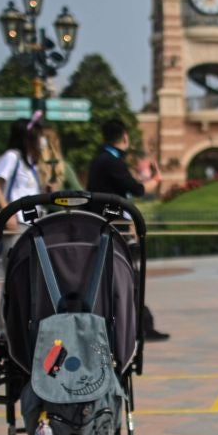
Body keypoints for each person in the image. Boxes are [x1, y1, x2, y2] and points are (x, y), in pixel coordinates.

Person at [86, 119, 169, 342]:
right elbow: (137, 189)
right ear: (124, 137)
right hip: (113, 230)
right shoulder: (111, 161)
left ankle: (133, 324)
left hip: (104, 227)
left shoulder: (100, 160)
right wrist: (155, 180)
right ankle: (140, 326)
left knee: (120, 278)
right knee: (129, 277)